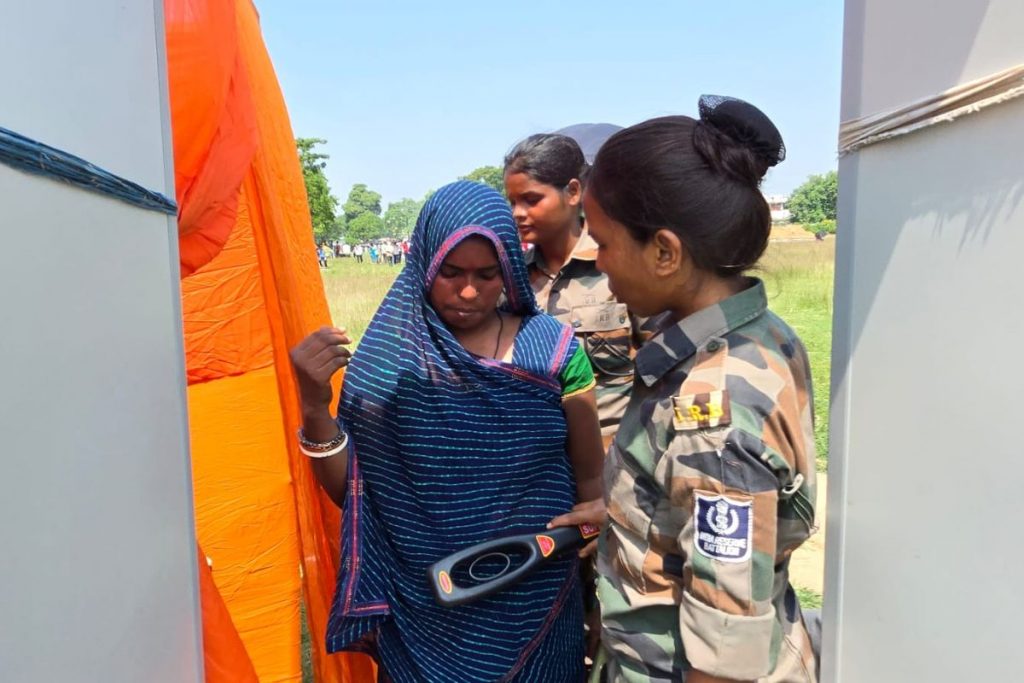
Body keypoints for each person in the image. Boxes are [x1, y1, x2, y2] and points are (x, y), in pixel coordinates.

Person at [289, 181, 605, 682]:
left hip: (538, 597)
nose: (468, 291)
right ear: (424, 266)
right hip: (425, 610)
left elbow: (591, 485)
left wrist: (597, 578)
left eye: (488, 274)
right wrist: (312, 402)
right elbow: (349, 491)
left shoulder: (553, 350)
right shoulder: (388, 362)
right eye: (451, 273)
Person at [551, 96, 819, 682]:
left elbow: (724, 658)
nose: (595, 261)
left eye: (603, 241)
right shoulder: (754, 334)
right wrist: (624, 510)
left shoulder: (713, 409)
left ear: (665, 252)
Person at [504, 134, 646, 449]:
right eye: (512, 202)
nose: (517, 213)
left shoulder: (618, 269)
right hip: (541, 464)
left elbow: (662, 371)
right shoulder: (511, 282)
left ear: (572, 192)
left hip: (615, 456)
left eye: (531, 199)